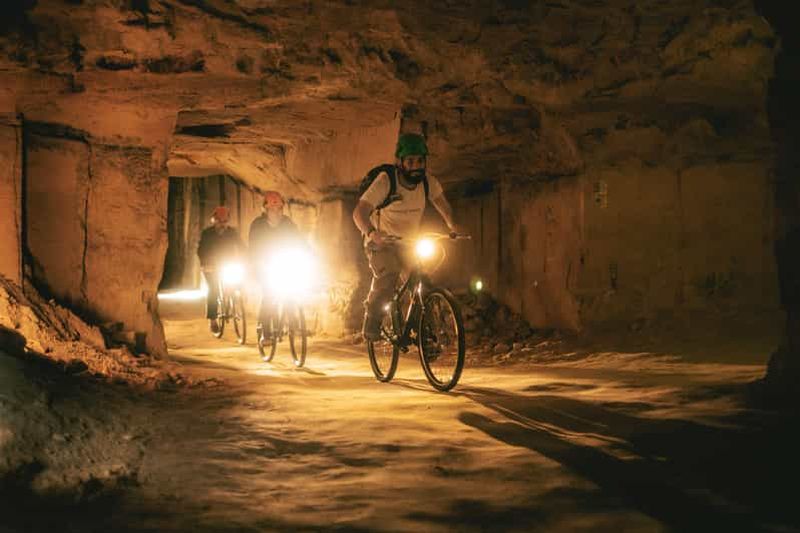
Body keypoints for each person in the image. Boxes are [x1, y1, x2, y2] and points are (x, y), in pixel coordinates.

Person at [352, 132, 460, 341]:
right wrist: (372, 233)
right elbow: (359, 212)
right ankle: (372, 319)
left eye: (420, 161)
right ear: (400, 162)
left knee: (423, 285)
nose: (416, 166)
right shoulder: (386, 181)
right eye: (411, 161)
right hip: (381, 242)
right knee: (388, 277)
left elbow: (444, 206)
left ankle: (425, 337)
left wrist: (452, 226)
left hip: (409, 243)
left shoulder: (429, 183)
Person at [248, 190, 302, 341]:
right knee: (269, 296)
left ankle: (293, 325)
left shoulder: (288, 224)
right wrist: (258, 262)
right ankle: (265, 332)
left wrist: (309, 256)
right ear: (265, 209)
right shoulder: (257, 225)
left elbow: (299, 241)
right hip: (265, 266)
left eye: (279, 208)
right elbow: (253, 247)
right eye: (273, 208)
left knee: (291, 292)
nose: (276, 212)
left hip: (285, 264)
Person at [197, 206, 245, 333]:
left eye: (225, 222)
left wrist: (245, 260)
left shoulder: (232, 233)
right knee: (213, 290)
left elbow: (242, 247)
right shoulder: (207, 234)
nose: (222, 224)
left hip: (227, 264)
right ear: (214, 221)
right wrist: (205, 263)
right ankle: (213, 319)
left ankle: (233, 303)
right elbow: (201, 250)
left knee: (235, 283)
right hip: (211, 266)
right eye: (220, 221)